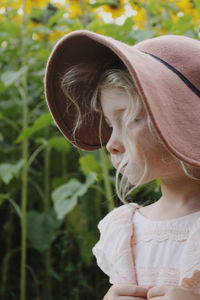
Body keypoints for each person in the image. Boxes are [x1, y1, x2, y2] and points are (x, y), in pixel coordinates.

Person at [45, 30, 200, 299]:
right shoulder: (125, 231)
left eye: (129, 120)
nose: (110, 143)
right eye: (108, 124)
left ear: (183, 121)